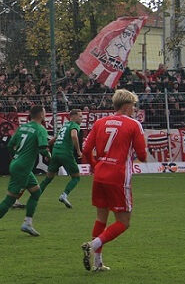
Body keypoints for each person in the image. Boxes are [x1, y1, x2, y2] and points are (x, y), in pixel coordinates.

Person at [80, 89, 147, 272]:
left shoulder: (100, 123)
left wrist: (95, 165)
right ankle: (92, 245)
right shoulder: (133, 124)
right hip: (118, 177)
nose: (134, 109)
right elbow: (142, 154)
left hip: (100, 175)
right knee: (123, 222)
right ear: (126, 106)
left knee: (101, 218)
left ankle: (97, 263)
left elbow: (85, 150)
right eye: (133, 105)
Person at [0, 105, 50, 239]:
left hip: (17, 163)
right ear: (41, 115)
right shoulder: (40, 129)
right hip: (23, 167)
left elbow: (10, 145)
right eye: (44, 112)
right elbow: (43, 148)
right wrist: (49, 156)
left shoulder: (23, 127)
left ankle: (28, 223)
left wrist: (17, 157)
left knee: (36, 192)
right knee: (10, 199)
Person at [37, 108, 84, 208]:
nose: (82, 119)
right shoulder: (74, 125)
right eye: (80, 116)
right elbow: (74, 136)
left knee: (48, 178)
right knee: (76, 177)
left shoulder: (64, 126)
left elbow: (54, 139)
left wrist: (47, 147)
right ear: (73, 117)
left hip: (56, 153)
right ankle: (64, 195)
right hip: (66, 154)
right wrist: (79, 151)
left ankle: (34, 197)